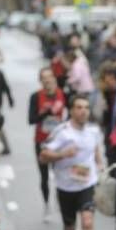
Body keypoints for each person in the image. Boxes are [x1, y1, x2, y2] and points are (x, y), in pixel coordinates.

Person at [40, 95, 103, 230]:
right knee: (69, 228)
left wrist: (99, 165)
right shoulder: (62, 132)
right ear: (72, 110)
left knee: (87, 221)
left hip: (86, 184)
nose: (83, 111)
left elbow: (96, 151)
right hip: (65, 187)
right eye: (79, 107)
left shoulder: (94, 131)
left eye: (86, 107)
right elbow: (43, 156)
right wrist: (62, 154)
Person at [28, 67, 67, 219]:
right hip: (42, 141)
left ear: (55, 79)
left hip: (60, 141)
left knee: (61, 174)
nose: (47, 81)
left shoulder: (62, 95)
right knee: (44, 175)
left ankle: (62, 204)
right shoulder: (35, 97)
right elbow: (31, 120)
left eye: (50, 77)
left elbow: (70, 115)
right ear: (40, 81)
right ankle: (46, 205)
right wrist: (45, 113)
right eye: (44, 78)